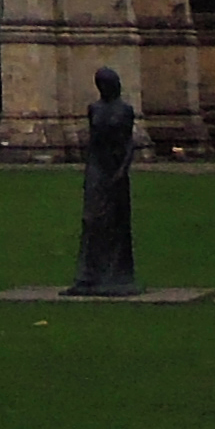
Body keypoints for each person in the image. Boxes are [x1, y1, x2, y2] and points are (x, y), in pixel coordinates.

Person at [71, 64, 139, 294]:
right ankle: (87, 275)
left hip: (116, 167)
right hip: (97, 167)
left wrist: (122, 169)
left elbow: (130, 142)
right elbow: (92, 142)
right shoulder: (94, 109)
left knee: (115, 222)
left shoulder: (125, 110)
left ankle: (117, 274)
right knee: (91, 220)